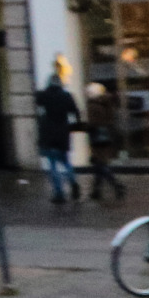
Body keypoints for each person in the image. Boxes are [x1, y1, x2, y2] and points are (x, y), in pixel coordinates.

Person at [34, 73, 85, 206]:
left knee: (53, 165)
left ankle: (59, 194)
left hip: (48, 133)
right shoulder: (66, 96)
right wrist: (77, 124)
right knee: (66, 161)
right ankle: (73, 182)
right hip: (63, 132)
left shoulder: (44, 95)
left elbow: (37, 102)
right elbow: (75, 112)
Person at [82, 81, 126, 200]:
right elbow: (109, 119)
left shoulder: (93, 105)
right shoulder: (106, 103)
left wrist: (84, 127)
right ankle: (96, 191)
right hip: (106, 136)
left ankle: (117, 186)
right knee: (99, 163)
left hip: (97, 137)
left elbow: (93, 123)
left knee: (100, 164)